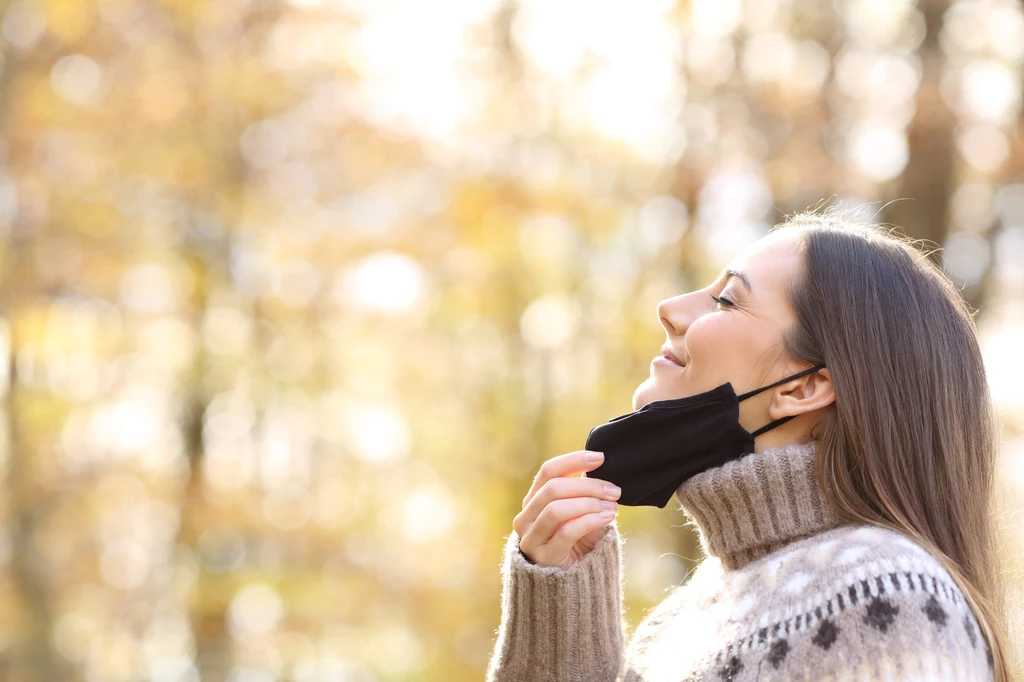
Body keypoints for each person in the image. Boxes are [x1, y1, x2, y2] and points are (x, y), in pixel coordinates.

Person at [486, 211, 1010, 681]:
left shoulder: (884, 595)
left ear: (803, 388)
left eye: (726, 300)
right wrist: (559, 621)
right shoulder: (676, 629)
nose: (669, 309)